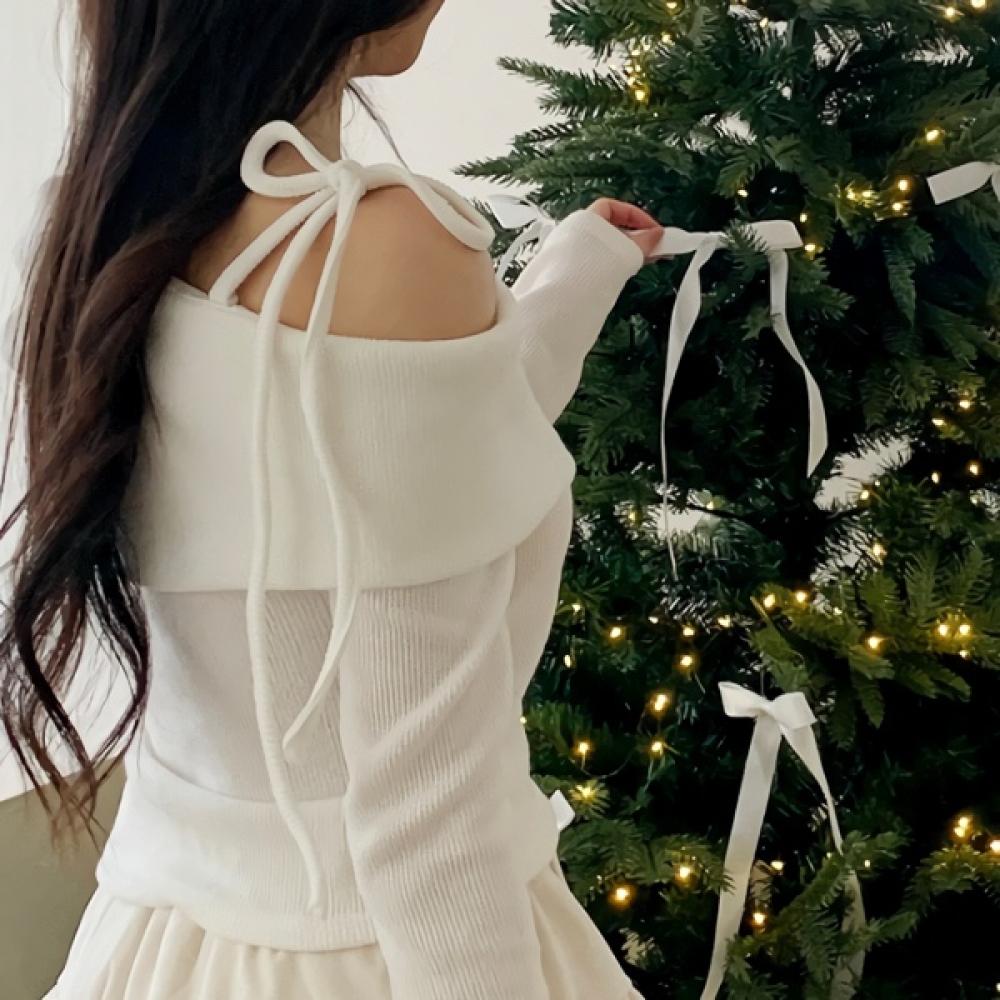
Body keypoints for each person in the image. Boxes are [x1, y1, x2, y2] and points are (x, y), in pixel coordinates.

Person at [1, 2, 666, 998]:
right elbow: (426, 812)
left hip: (163, 932)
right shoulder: (383, 246)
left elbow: (393, 460)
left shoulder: (97, 227)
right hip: (383, 953)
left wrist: (577, 278)